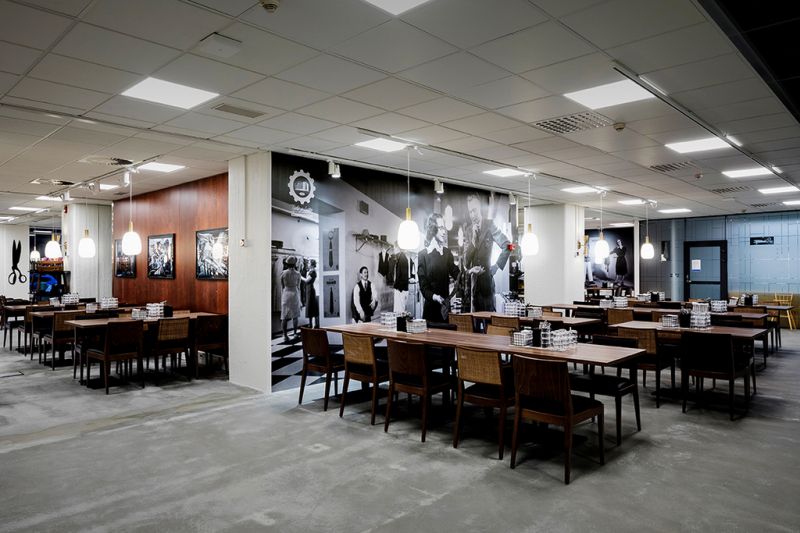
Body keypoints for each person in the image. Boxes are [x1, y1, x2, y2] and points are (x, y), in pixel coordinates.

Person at [461, 193, 511, 312]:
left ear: (480, 209)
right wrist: (473, 242)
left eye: (474, 210)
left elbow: (509, 246)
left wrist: (497, 266)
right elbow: (466, 262)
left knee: (489, 318)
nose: (473, 215)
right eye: (470, 212)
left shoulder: (489, 225)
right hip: (473, 286)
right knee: (474, 320)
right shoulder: (468, 231)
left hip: (487, 284)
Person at [418, 213, 459, 323]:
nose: (444, 232)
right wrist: (435, 297)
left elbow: (457, 274)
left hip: (444, 310)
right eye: (441, 228)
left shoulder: (447, 253)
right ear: (433, 229)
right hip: (430, 311)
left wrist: (469, 272)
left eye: (444, 228)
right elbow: (423, 287)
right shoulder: (423, 255)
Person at [280, 256, 302, 342]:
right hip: (294, 293)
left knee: (284, 316)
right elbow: (298, 286)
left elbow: (282, 286)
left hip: (286, 293)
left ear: (287, 264)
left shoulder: (283, 273)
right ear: (294, 264)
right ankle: (295, 333)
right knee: (295, 316)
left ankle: (285, 335)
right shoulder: (298, 274)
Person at [305, 259, 319, 328]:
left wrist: (300, 277)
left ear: (312, 264)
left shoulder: (313, 272)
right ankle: (311, 324)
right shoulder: (310, 271)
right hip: (309, 290)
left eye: (309, 263)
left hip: (310, 290)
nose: (308, 264)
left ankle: (315, 324)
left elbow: (306, 280)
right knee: (310, 307)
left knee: (312, 306)